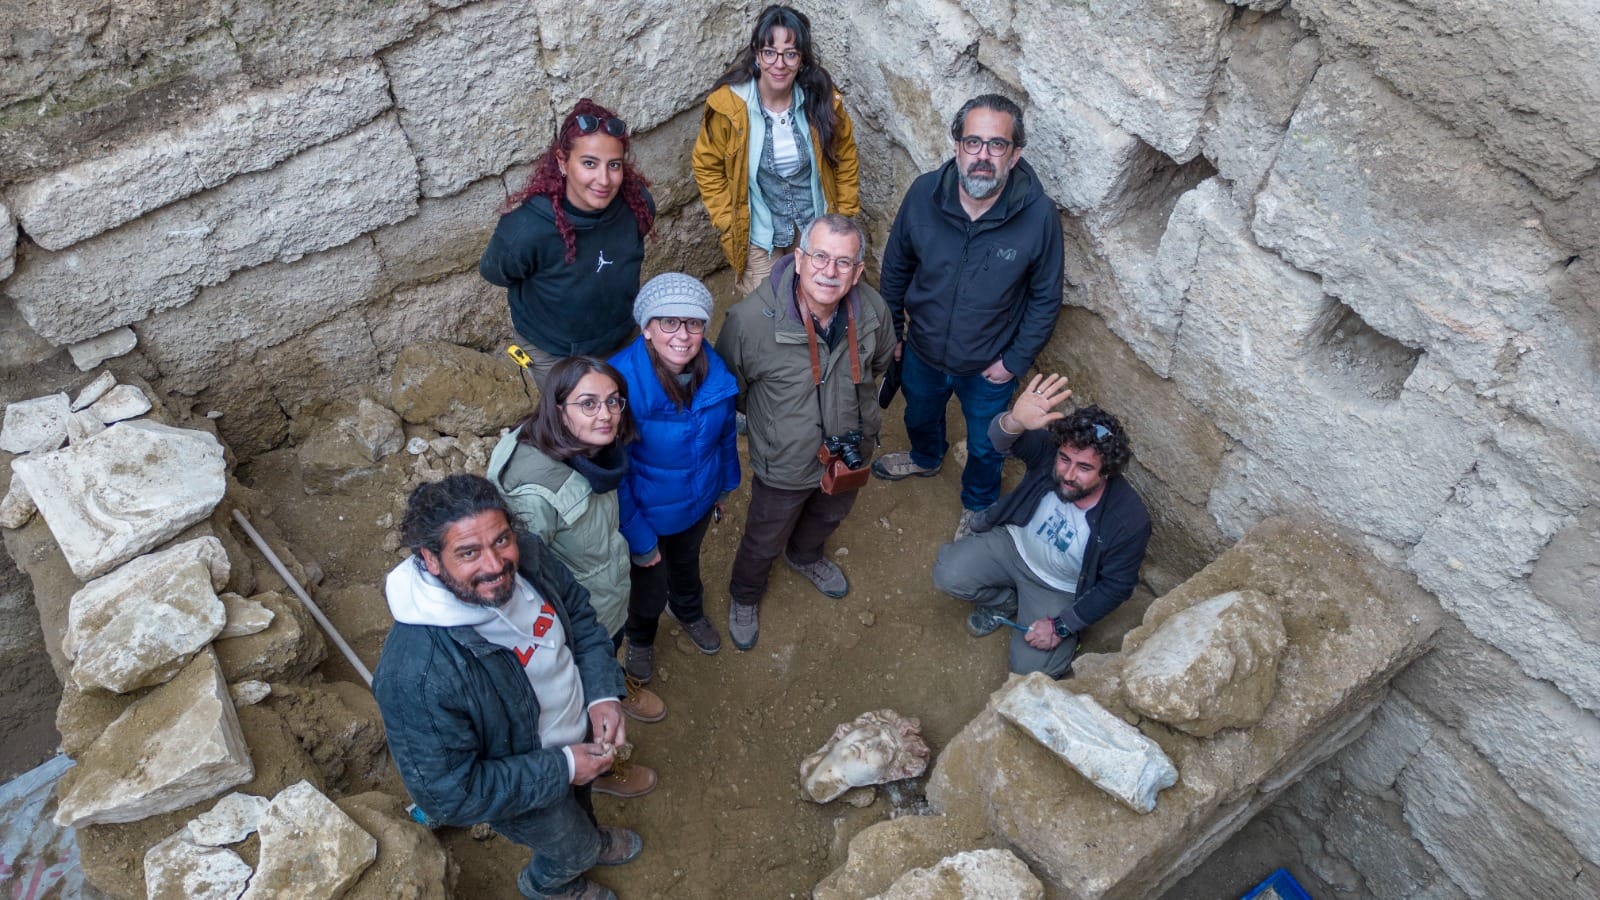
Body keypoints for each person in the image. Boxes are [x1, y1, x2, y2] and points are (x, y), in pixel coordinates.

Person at [372, 475, 640, 900]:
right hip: (523, 785)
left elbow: (580, 619)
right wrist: (563, 768)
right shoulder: (418, 676)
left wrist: (602, 693)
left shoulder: (528, 555)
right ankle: (552, 884)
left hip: (575, 740)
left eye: (501, 540)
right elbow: (451, 795)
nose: (495, 565)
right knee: (569, 844)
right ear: (431, 559)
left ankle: (586, 840)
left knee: (580, 810)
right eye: (468, 552)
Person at [873, 94, 1065, 541]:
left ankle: (978, 504)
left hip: (988, 368)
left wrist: (1013, 363)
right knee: (919, 414)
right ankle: (925, 456)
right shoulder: (924, 194)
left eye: (996, 145)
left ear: (1015, 155)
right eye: (973, 142)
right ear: (957, 145)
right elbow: (896, 267)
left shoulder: (1039, 217)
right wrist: (894, 334)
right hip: (921, 350)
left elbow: (1044, 298)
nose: (982, 156)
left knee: (986, 445)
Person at [485, 355, 664, 798]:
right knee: (579, 700)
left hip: (605, 596)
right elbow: (521, 586)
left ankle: (613, 686)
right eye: (588, 403)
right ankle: (600, 764)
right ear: (559, 407)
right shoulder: (533, 493)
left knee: (610, 647)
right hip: (574, 622)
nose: (605, 415)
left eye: (613, 401)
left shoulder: (587, 450)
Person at [714, 213, 893, 650]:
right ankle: (745, 594)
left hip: (851, 451)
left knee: (829, 514)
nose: (829, 272)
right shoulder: (749, 322)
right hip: (785, 460)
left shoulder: (872, 311)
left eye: (844, 263)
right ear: (799, 258)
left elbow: (881, 364)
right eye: (819, 256)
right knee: (763, 535)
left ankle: (806, 555)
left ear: (858, 272)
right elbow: (730, 390)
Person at [931, 374, 1151, 679]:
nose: (1068, 474)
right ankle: (1005, 601)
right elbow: (1001, 439)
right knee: (948, 574)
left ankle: (1057, 636)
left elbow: (1116, 587)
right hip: (1012, 546)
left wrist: (1061, 627)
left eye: (1085, 467)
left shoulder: (1129, 519)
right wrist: (1013, 420)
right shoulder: (1050, 455)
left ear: (1107, 472)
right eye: (1065, 459)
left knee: (1031, 671)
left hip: (1058, 587)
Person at [608, 273, 741, 682]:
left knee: (686, 565)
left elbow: (725, 436)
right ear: (647, 328)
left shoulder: (714, 370)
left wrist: (723, 486)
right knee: (647, 585)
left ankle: (687, 610)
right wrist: (641, 538)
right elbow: (615, 473)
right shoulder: (618, 385)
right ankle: (642, 638)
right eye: (668, 322)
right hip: (645, 516)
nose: (682, 335)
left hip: (696, 504)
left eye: (694, 323)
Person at [481, 99, 656, 389]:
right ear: (563, 162)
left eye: (614, 165)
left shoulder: (636, 205)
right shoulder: (526, 229)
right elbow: (495, 272)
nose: (603, 180)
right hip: (554, 350)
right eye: (589, 163)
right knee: (575, 424)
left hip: (622, 334)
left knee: (628, 411)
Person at [692, 4, 859, 297]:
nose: (779, 64)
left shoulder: (821, 101)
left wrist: (841, 219)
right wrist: (728, 220)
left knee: (816, 301)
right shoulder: (729, 106)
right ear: (757, 54)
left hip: (814, 223)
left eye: (790, 54)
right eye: (770, 52)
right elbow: (706, 166)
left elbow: (845, 159)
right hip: (759, 232)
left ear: (801, 59)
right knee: (766, 309)